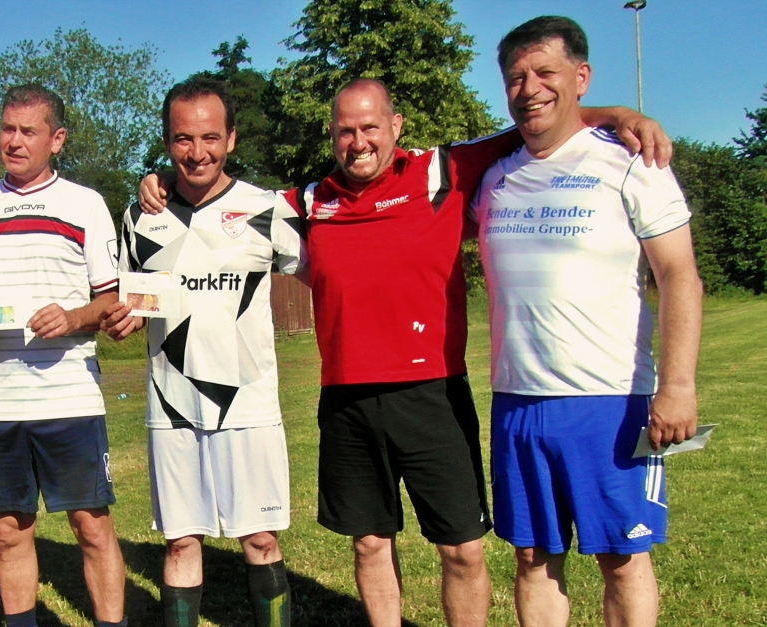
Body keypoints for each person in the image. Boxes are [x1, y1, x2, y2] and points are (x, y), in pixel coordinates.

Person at [138, 82, 671, 627]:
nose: (358, 141)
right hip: (347, 400)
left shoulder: (438, 172)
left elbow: (534, 123)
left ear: (396, 127)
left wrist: (616, 113)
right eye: (345, 130)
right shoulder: (309, 202)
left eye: (370, 127)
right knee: (369, 545)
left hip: (432, 393)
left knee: (462, 549)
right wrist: (157, 185)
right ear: (332, 136)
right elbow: (218, 203)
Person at [471, 16, 702, 627]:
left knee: (623, 559)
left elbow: (680, 276)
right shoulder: (493, 177)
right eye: (516, 77)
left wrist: (677, 386)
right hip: (517, 400)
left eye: (545, 72)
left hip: (610, 400)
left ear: (581, 76)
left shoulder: (633, 163)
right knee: (531, 556)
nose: (529, 88)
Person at [100, 76, 301, 627]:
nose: (198, 152)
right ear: (167, 142)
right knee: (181, 543)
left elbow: (321, 272)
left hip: (248, 401)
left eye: (210, 138)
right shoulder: (139, 215)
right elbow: (129, 303)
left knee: (260, 538)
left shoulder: (268, 210)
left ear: (231, 139)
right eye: (183, 139)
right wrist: (119, 320)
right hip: (170, 403)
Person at [0, 84, 127, 627]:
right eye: (7, 129)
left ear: (57, 139)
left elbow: (111, 298)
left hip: (69, 394)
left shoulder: (85, 203)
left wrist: (71, 318)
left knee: (92, 526)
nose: (14, 141)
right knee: (8, 533)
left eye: (28, 131)